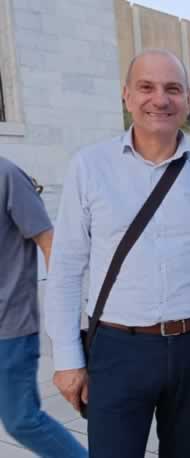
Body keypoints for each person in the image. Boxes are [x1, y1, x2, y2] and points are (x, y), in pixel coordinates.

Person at [45, 49, 190, 458]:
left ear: (188, 99)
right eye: (146, 87)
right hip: (118, 349)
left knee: (188, 452)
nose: (160, 99)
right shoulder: (90, 166)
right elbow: (66, 268)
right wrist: (67, 358)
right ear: (126, 95)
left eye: (172, 89)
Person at [0, 158, 86, 458]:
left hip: (9, 326)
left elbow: (50, 244)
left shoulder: (7, 175)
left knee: (22, 420)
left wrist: (62, 315)